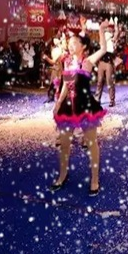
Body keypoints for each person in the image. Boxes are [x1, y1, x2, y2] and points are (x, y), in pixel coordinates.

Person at [50, 21, 110, 194]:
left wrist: (100, 30)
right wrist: (58, 104)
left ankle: (95, 179)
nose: (70, 45)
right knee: (65, 144)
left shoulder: (88, 61)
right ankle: (62, 175)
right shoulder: (67, 62)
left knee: (92, 144)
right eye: (69, 42)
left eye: (74, 42)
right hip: (68, 106)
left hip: (85, 106)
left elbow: (104, 49)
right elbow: (65, 85)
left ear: (83, 46)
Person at [96, 19, 123, 108]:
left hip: (109, 62)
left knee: (109, 81)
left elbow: (117, 33)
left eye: (109, 30)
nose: (108, 30)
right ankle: (97, 99)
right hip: (101, 61)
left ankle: (112, 100)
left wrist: (115, 23)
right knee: (99, 81)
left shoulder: (112, 39)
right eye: (106, 30)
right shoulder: (102, 37)